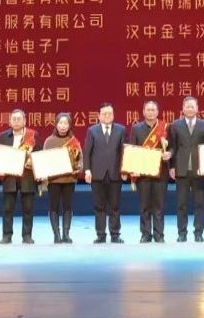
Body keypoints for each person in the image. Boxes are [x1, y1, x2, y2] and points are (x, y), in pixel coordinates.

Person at [166, 96, 204, 243]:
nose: (190, 109)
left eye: (192, 106)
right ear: (183, 109)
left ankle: (198, 233)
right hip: (181, 169)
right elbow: (172, 146)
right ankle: (182, 233)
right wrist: (171, 166)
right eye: (187, 106)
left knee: (199, 204)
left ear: (197, 108)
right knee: (181, 204)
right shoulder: (175, 125)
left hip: (199, 170)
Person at [82, 102, 125, 243]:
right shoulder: (92, 131)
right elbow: (87, 152)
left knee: (115, 206)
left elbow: (124, 152)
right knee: (99, 206)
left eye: (110, 113)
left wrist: (125, 170)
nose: (107, 116)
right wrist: (87, 170)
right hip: (97, 174)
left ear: (113, 115)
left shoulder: (121, 130)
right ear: (99, 116)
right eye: (104, 114)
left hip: (115, 173)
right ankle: (100, 235)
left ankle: (115, 234)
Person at [128, 100, 170, 243]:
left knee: (159, 205)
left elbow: (172, 147)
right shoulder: (136, 128)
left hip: (160, 172)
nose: (151, 112)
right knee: (144, 205)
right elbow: (132, 149)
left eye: (153, 110)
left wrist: (169, 153)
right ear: (143, 112)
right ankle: (145, 234)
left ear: (157, 112)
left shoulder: (165, 128)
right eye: (148, 110)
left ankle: (159, 234)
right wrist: (133, 169)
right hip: (143, 172)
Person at [0, 109, 38, 244]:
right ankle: (6, 235)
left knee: (28, 208)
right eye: (13, 119)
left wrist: (32, 162)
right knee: (7, 208)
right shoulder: (3, 137)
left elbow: (39, 154)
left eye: (18, 119)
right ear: (9, 121)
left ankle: (27, 235)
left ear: (25, 121)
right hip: (9, 177)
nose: (16, 121)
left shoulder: (33, 135)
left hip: (27, 176)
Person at [42, 112, 82, 244]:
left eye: (66, 123)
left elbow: (80, 159)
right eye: (60, 123)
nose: (63, 126)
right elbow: (44, 160)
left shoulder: (73, 141)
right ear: (56, 124)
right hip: (53, 180)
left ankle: (66, 234)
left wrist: (79, 168)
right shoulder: (49, 141)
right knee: (54, 207)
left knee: (67, 207)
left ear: (69, 125)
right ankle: (56, 234)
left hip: (69, 179)